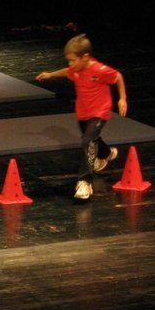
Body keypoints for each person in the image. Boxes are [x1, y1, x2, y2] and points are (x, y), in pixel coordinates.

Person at [36, 34, 127, 200]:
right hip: (83, 112)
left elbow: (118, 77)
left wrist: (122, 99)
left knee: (87, 141)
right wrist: (50, 74)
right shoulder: (76, 70)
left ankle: (84, 182)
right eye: (69, 61)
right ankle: (106, 153)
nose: (70, 64)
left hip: (100, 112)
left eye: (73, 60)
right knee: (92, 138)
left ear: (85, 57)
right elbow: (67, 72)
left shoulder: (99, 70)